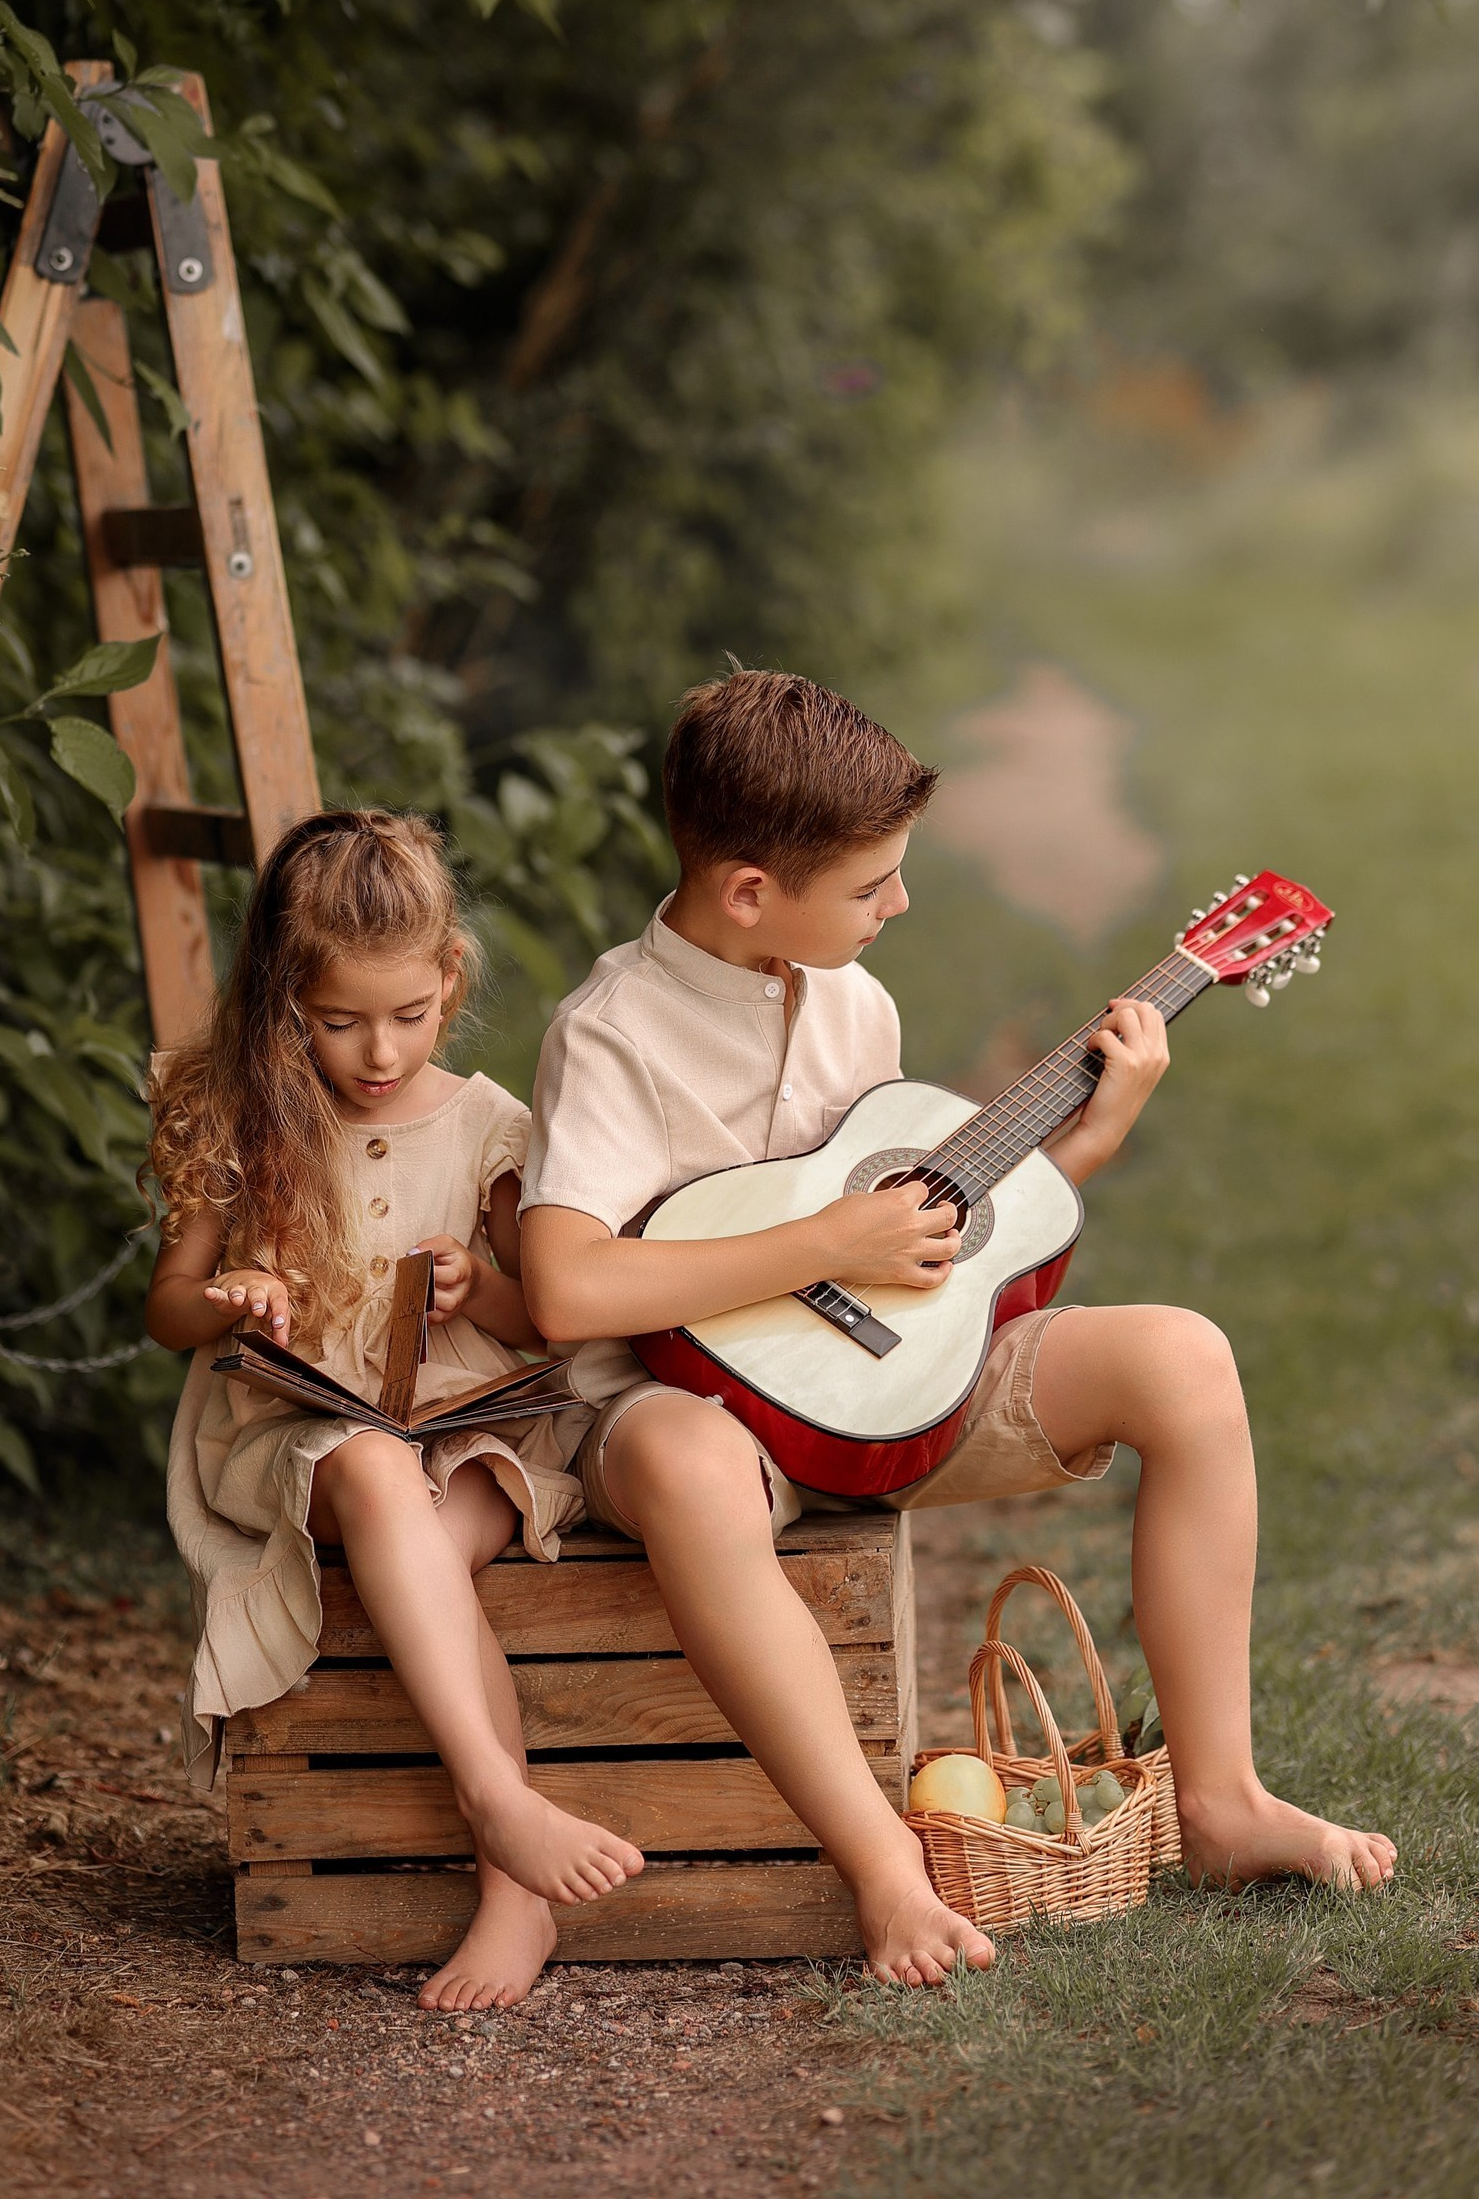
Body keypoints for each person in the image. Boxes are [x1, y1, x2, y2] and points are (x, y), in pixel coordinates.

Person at [518, 668, 1397, 1987]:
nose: (900, 905)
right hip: (686, 1414)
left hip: (879, 1400)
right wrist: (830, 1245)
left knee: (1182, 1356)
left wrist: (1085, 1146)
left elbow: (916, 1252)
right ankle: (886, 1872)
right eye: (871, 886)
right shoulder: (612, 1035)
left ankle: (1221, 1803)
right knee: (690, 1465)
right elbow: (567, 1289)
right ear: (750, 892)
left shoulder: (853, 1001)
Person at [147, 808, 642, 2012]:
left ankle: (512, 1885)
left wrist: (485, 1289)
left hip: (473, 1428)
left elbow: (549, 1321)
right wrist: (230, 1296)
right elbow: (165, 1309)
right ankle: (500, 1815)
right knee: (376, 1473)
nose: (379, 1051)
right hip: (299, 1436)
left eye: (409, 1015)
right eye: (339, 1021)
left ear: (450, 977)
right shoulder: (236, 1110)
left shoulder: (489, 1129)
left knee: (432, 1524)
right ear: (285, 998)